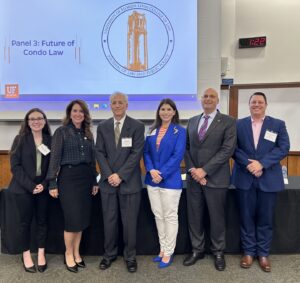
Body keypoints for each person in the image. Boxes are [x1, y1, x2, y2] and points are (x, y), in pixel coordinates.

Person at [232, 92, 290, 272]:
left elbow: (283, 147)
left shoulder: (277, 124)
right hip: (245, 176)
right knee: (246, 217)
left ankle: (263, 254)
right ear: (249, 105)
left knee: (265, 219)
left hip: (268, 178)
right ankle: (248, 252)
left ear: (266, 104)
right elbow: (233, 148)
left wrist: (262, 164)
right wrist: (249, 165)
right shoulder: (238, 124)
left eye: (260, 102)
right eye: (253, 102)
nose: (256, 104)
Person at [183, 88, 236, 271]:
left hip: (216, 178)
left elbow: (227, 150)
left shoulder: (228, 122)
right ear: (201, 100)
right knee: (194, 217)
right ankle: (197, 250)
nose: (208, 99)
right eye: (205, 96)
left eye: (211, 96)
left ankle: (218, 252)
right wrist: (194, 171)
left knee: (217, 218)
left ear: (217, 100)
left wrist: (204, 171)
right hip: (194, 180)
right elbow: (187, 148)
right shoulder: (192, 121)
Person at [47, 100, 99, 273]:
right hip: (68, 179)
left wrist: (94, 181)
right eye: (75, 111)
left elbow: (92, 161)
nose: (78, 114)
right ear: (70, 113)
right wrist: (52, 182)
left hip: (86, 179)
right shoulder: (61, 132)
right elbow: (54, 159)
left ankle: (77, 253)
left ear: (85, 115)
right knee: (72, 220)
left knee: (81, 219)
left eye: (81, 111)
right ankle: (68, 254)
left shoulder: (88, 133)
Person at [95, 92, 145, 273]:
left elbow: (136, 154)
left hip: (129, 183)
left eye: (120, 102)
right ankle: (109, 255)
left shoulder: (137, 126)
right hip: (108, 183)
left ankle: (130, 257)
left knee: (130, 223)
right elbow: (99, 152)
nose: (117, 105)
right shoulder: (102, 126)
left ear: (126, 105)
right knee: (109, 221)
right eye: (114, 103)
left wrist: (120, 175)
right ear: (110, 105)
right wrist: (109, 175)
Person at [143, 99, 186, 268]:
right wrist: (151, 170)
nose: (165, 112)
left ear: (174, 112)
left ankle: (169, 251)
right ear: (158, 112)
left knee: (170, 216)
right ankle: (162, 249)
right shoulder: (152, 130)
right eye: (163, 109)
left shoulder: (180, 131)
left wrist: (161, 173)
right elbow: (146, 153)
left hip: (170, 181)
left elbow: (177, 156)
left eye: (169, 109)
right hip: (152, 180)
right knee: (158, 216)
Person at [8, 108, 51, 273]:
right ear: (27, 122)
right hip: (23, 189)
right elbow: (15, 166)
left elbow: (52, 166)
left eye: (39, 118)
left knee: (42, 222)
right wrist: (31, 186)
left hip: (43, 189)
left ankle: (41, 253)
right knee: (24, 223)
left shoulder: (50, 139)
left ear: (45, 121)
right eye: (32, 119)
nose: (36, 121)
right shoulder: (19, 139)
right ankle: (26, 254)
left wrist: (44, 185)